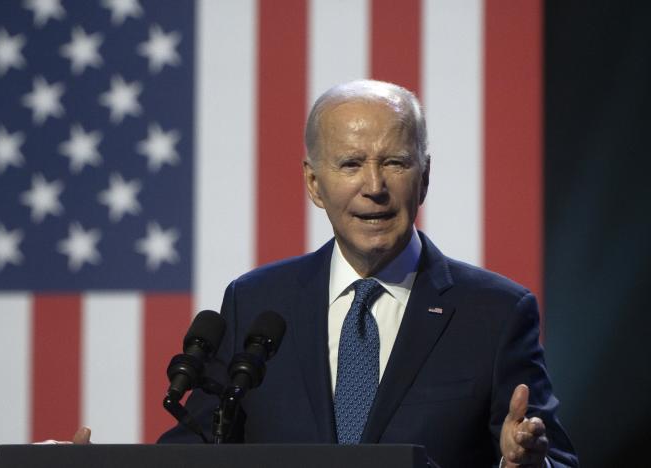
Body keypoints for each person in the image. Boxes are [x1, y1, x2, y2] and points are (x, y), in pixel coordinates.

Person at [157, 80, 578, 467]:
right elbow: (193, 447)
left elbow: (554, 457)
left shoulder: (496, 313)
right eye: (351, 164)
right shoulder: (255, 301)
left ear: (425, 177)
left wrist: (527, 464)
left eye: (394, 162)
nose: (374, 186)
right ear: (314, 183)